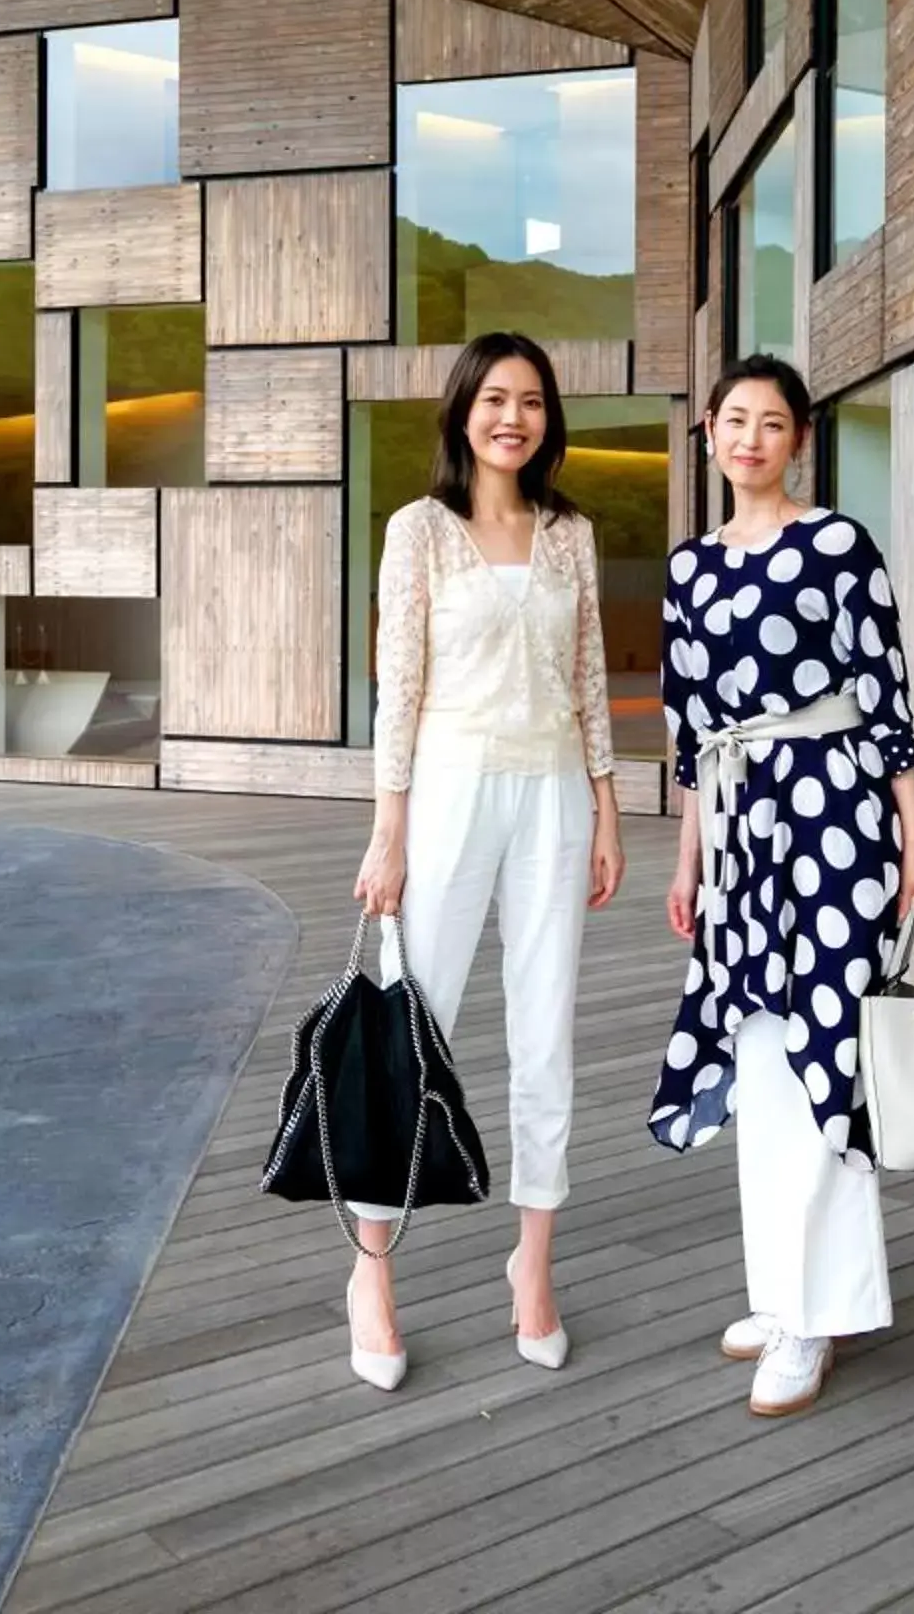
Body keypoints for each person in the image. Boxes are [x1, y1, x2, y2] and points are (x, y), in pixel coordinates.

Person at [649, 354, 914, 1418]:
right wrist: (688, 858)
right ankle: (783, 1291)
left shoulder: (837, 544)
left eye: (773, 421)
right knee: (762, 1053)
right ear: (713, 435)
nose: (752, 436)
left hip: (832, 815)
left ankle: (819, 1313)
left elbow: (890, 698)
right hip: (737, 827)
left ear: (800, 438)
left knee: (824, 1046)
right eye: (735, 418)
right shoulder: (688, 569)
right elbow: (692, 733)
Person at [347, 331, 625, 1391]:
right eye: (496, 397)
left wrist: (605, 806)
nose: (514, 416)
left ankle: (533, 1265)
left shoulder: (569, 534)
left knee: (545, 1030)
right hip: (451, 792)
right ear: (464, 409)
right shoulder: (418, 530)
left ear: (549, 420)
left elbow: (590, 673)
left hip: (555, 792)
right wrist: (389, 827)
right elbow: (398, 686)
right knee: (413, 1028)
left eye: (533, 401)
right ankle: (371, 1269)